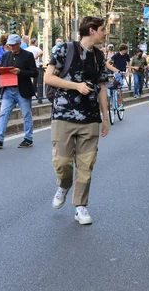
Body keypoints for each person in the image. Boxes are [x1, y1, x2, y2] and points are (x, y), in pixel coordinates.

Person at [44, 16, 109, 225]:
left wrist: (105, 117)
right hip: (64, 116)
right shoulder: (64, 49)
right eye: (102, 30)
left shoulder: (99, 56)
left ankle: (81, 206)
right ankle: (63, 185)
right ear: (91, 30)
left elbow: (103, 88)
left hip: (90, 118)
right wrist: (76, 86)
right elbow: (49, 78)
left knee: (86, 164)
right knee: (62, 162)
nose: (104, 33)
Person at [0, 34, 38, 149]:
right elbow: (2, 70)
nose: (12, 48)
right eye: (10, 46)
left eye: (14, 45)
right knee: (3, 114)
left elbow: (35, 73)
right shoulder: (5, 56)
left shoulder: (28, 55)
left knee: (26, 114)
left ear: (19, 44)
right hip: (8, 89)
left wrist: (21, 72)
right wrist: (0, 70)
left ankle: (28, 138)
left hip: (22, 89)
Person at [107, 43, 130, 110]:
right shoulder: (116, 55)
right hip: (116, 72)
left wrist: (129, 71)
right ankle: (120, 104)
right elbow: (108, 62)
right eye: (125, 50)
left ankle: (119, 102)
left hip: (123, 73)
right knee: (118, 87)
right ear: (122, 50)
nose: (126, 51)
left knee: (118, 88)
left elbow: (129, 63)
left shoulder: (127, 55)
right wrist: (113, 69)